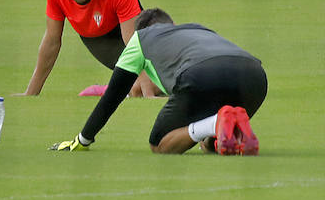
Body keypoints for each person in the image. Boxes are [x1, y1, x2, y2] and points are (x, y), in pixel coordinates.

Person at [48, 8, 267, 154]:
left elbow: (112, 96)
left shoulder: (140, 40)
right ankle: (231, 129)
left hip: (202, 74)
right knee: (209, 142)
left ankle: (216, 122)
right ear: (172, 24)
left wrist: (83, 140)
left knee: (160, 144)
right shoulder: (197, 29)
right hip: (255, 77)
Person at [21, 0, 158, 98]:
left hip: (155, 55)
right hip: (126, 66)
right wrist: (30, 95)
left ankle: (119, 89)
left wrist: (148, 93)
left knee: (162, 86)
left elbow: (133, 44)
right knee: (137, 88)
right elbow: (52, 41)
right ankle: (123, 88)